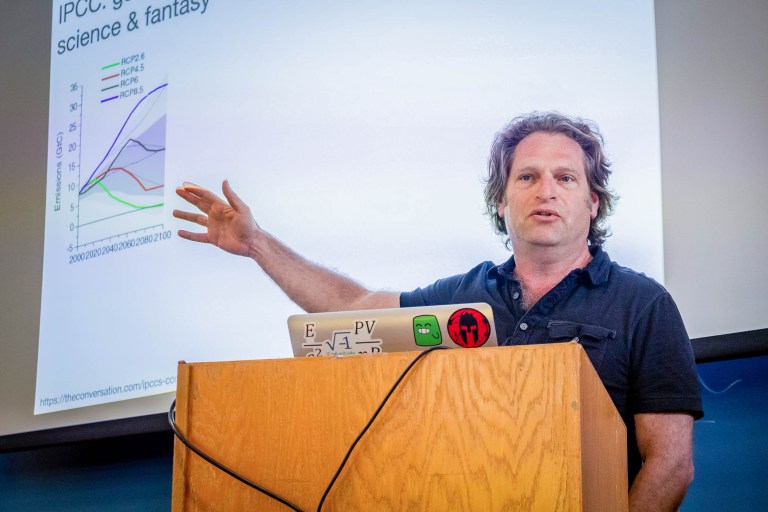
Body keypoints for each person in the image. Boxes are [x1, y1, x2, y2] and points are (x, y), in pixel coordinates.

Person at [173, 112, 702, 511]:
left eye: (566, 178)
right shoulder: (462, 296)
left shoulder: (645, 304)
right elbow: (353, 310)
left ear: (593, 203)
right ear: (501, 201)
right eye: (527, 177)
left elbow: (670, 464)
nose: (546, 191)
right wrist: (258, 244)